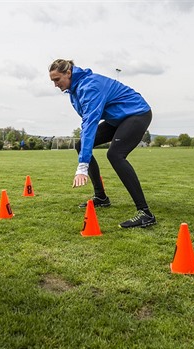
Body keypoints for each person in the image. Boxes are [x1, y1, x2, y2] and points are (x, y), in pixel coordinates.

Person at [48, 59, 156, 229]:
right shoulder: (74, 90)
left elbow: (91, 122)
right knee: (80, 144)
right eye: (52, 81)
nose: (55, 85)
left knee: (115, 155)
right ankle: (101, 198)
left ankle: (145, 213)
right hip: (117, 119)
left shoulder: (89, 86)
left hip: (136, 113)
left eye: (57, 79)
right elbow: (86, 122)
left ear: (68, 73)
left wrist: (82, 165)